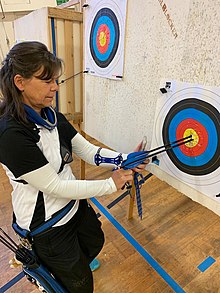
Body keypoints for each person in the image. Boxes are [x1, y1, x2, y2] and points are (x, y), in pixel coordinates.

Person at [0, 41, 148, 293]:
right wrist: (110, 184)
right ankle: (54, 279)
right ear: (20, 82)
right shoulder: (10, 134)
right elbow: (55, 186)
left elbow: (86, 150)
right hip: (47, 226)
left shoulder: (50, 114)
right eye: (47, 81)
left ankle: (67, 270)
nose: (55, 88)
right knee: (80, 286)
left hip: (72, 205)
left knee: (95, 240)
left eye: (56, 80)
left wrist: (123, 159)